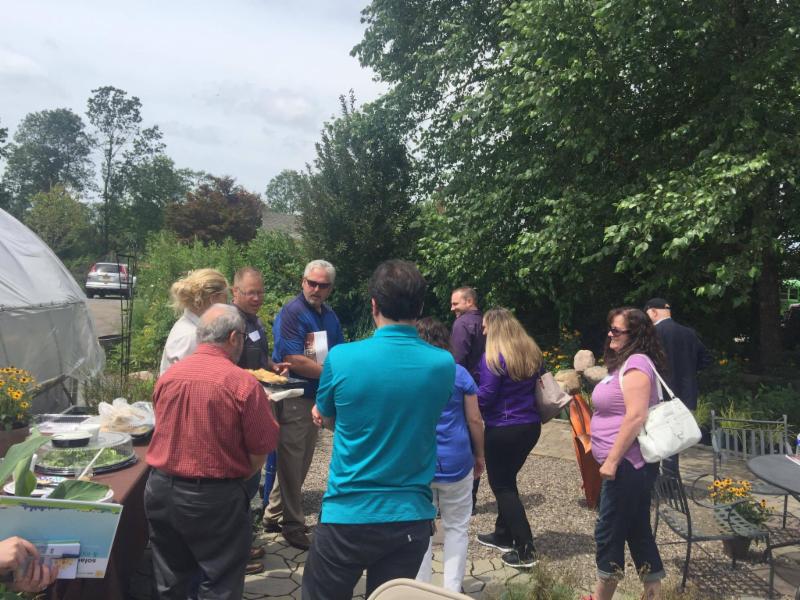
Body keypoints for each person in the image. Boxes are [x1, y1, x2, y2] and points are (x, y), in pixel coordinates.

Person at [302, 260, 455, 600]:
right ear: (420, 307)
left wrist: (327, 417)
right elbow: (424, 413)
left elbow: (327, 416)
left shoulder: (341, 357)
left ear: (373, 305)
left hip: (347, 513)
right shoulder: (443, 364)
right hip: (409, 517)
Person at [145, 304, 280, 600]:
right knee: (219, 583)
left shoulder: (169, 376)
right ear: (233, 337)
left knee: (170, 580)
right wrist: (235, 481)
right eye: (242, 337)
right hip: (214, 496)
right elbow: (261, 449)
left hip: (161, 489)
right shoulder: (242, 383)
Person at [263, 259, 345, 550]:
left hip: (316, 396)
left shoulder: (329, 316)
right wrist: (334, 375)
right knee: (293, 460)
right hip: (294, 397)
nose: (316, 289)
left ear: (330, 288)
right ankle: (293, 525)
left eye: (323, 285)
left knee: (297, 460)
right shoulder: (292, 312)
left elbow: (338, 353)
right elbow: (294, 359)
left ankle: (273, 514)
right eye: (312, 283)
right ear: (303, 282)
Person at [587, 307, 666, 600]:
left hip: (628, 465)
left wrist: (611, 460)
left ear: (636, 335)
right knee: (637, 529)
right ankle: (653, 592)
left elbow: (635, 416)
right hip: (628, 466)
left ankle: (601, 596)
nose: (610, 334)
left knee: (608, 532)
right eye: (610, 328)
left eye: (617, 330)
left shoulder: (637, 364)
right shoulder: (625, 363)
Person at [414, 317, 485, 593]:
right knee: (456, 527)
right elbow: (475, 419)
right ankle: (451, 591)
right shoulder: (459, 373)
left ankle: (421, 590)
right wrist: (480, 455)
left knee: (421, 528)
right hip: (456, 460)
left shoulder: (410, 373)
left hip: (419, 462)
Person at [231, 266, 289, 574]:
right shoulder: (230, 322)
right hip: (236, 413)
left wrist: (272, 366)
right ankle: (234, 554)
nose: (257, 298)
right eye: (250, 292)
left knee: (251, 482)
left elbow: (260, 358)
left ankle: (242, 542)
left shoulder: (255, 322)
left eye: (260, 292)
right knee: (238, 485)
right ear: (235, 292)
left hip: (258, 404)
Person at [476, 307, 543, 568]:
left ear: (494, 328)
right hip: (530, 426)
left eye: (484, 326)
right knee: (508, 479)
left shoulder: (493, 357)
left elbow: (486, 395)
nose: (482, 331)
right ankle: (503, 534)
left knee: (501, 485)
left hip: (503, 428)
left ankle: (526, 549)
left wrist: (465, 401)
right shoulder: (531, 353)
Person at [644, 297, 711, 476]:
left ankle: (661, 481)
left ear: (654, 312)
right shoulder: (689, 333)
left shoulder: (652, 334)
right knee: (674, 441)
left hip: (659, 394)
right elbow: (706, 359)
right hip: (685, 394)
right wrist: (688, 373)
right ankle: (671, 479)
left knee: (655, 438)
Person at [450, 286, 487, 512]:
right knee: (476, 435)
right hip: (485, 387)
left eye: (455, 303)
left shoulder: (462, 324)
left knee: (462, 435)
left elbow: (457, 360)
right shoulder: (486, 322)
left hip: (465, 387)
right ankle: (471, 497)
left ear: (469, 301)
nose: (452, 308)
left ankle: (460, 497)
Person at [159, 268, 229, 375]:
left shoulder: (189, 326)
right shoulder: (192, 337)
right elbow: (193, 381)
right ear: (213, 299)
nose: (227, 305)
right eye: (225, 298)